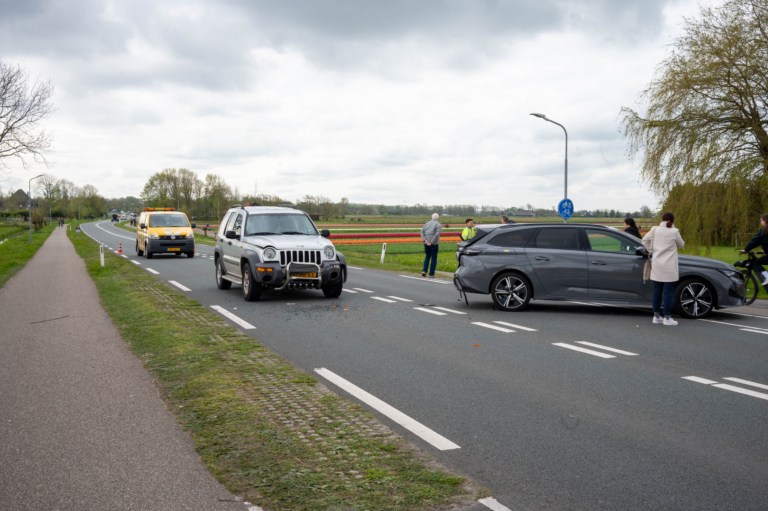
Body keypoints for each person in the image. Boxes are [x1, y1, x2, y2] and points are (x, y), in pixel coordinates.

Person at [642, 212, 684, 326]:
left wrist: (653, 250)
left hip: (657, 265)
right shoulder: (674, 232)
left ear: (662, 220)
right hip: (670, 266)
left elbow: (644, 240)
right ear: (672, 221)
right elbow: (681, 245)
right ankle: (667, 317)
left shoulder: (655, 230)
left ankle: (656, 316)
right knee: (669, 292)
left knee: (657, 291)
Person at [740, 213, 768, 285]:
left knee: (756, 263)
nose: (760, 222)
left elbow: (755, 241)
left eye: (761, 220)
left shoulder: (764, 231)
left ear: (765, 221)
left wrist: (746, 249)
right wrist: (765, 250)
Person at [420, 213, 442, 278]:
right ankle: (431, 273)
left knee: (427, 256)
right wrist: (431, 242)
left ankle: (424, 271)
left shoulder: (427, 223)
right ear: (438, 218)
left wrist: (425, 240)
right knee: (434, 258)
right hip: (434, 243)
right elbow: (437, 234)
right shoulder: (438, 224)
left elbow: (421, 232)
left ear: (431, 217)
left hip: (426, 243)